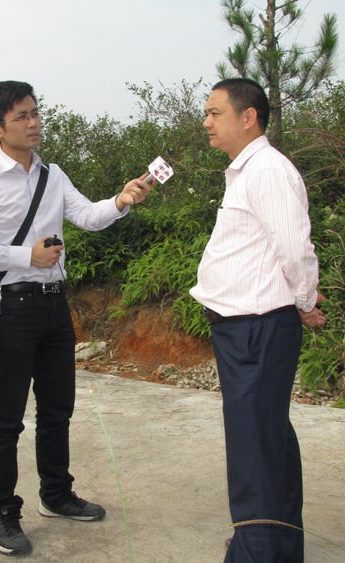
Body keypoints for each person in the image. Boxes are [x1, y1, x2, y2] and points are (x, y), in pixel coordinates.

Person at [0, 80, 154, 557]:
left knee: (57, 409)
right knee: (6, 417)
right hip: (10, 307)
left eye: (35, 113)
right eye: (21, 117)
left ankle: (56, 493)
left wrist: (122, 200)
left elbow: (88, 216)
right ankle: (1, 512)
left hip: (53, 304)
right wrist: (26, 256)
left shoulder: (53, 174)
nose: (33, 123)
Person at [190, 78, 325, 563]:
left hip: (257, 329)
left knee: (254, 450)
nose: (206, 122)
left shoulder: (266, 170)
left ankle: (256, 553)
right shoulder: (248, 171)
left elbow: (295, 248)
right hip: (246, 329)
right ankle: (278, 550)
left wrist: (304, 302)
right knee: (269, 441)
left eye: (215, 113)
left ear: (248, 118)